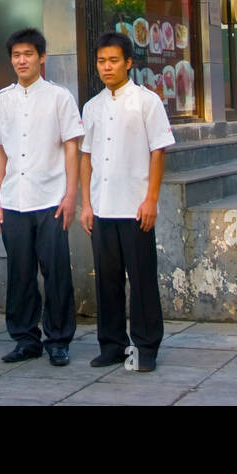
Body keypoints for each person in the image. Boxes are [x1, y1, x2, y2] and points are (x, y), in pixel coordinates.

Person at [0, 27, 83, 366]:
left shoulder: (60, 97)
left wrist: (71, 195)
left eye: (28, 54)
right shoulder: (0, 100)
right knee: (20, 274)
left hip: (51, 199)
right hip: (13, 201)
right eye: (16, 55)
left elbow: (72, 147)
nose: (21, 60)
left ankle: (58, 340)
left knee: (56, 272)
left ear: (42, 57)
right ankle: (25, 339)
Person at [78, 32, 174, 373]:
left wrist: (151, 199)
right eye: (101, 61)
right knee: (107, 279)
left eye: (113, 60)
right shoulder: (91, 106)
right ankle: (112, 345)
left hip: (135, 208)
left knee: (142, 278)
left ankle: (146, 347)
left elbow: (158, 152)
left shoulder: (147, 102)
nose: (106, 67)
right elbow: (86, 158)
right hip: (102, 208)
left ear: (129, 63)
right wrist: (86, 205)